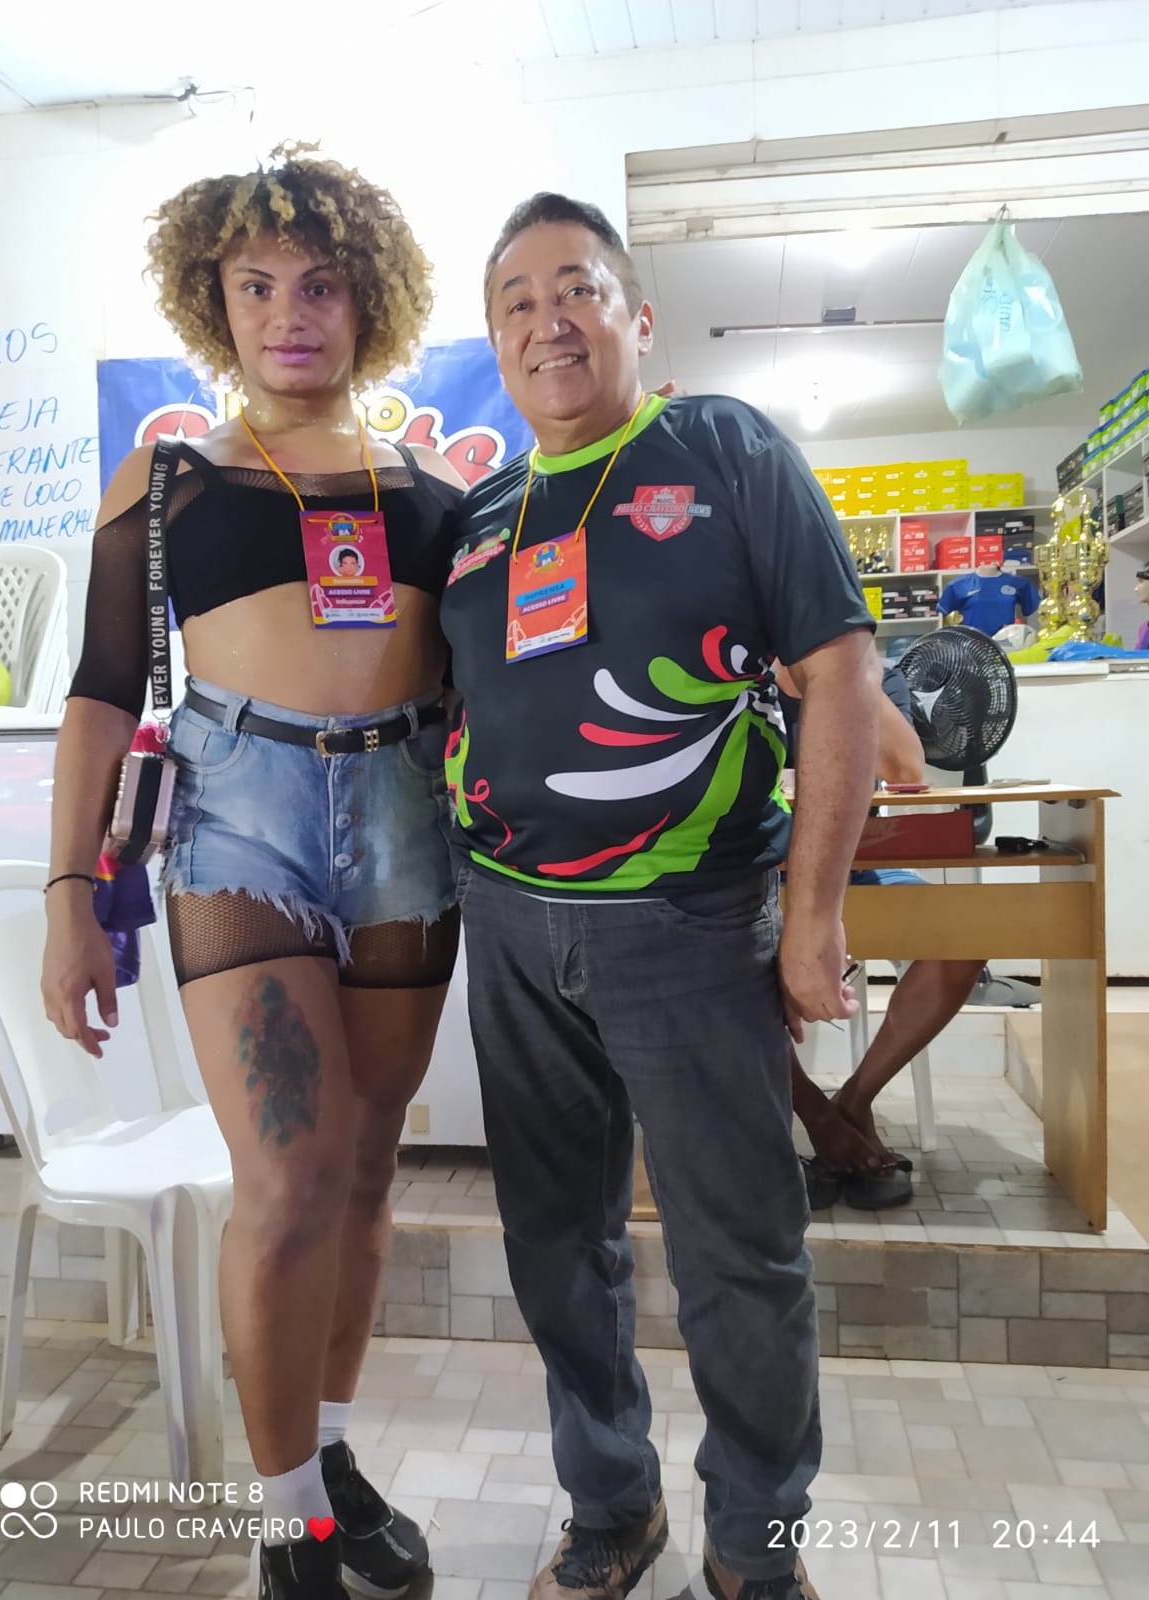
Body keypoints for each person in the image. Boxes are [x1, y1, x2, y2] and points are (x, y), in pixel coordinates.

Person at [440, 193, 882, 1600]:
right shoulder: (480, 518)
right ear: (496, 345)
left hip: (689, 921)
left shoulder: (725, 449)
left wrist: (812, 919)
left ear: (637, 316)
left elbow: (843, 678)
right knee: (555, 1247)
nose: (548, 321)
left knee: (738, 1252)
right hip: (510, 927)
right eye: (517, 302)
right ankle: (611, 1503)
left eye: (576, 288)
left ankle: (755, 1544)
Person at [41, 147, 465, 1600]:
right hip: (237, 818)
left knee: (364, 1166)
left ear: (369, 300)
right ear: (212, 302)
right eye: (257, 285)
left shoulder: (434, 490)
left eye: (322, 285)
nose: (291, 313)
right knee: (285, 1175)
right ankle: (290, 1526)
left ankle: (326, 1457)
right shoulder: (164, 480)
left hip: (404, 815)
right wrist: (69, 902)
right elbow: (102, 692)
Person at [775, 662, 986, 1209]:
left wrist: (850, 669)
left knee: (963, 939)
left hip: (861, 860)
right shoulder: (739, 671)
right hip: (763, 870)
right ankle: (814, 1112)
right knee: (722, 953)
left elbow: (905, 768)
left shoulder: (870, 673)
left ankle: (853, 1101)